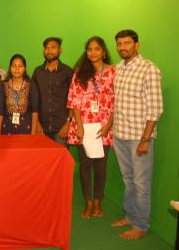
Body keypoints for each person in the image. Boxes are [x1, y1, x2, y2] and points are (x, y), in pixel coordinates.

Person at [110, 30, 163, 240]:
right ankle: (131, 216)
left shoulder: (149, 69)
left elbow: (156, 108)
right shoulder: (118, 69)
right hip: (120, 133)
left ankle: (141, 225)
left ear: (137, 45)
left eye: (127, 43)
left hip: (139, 137)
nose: (123, 47)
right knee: (128, 179)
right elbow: (116, 103)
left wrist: (145, 139)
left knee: (141, 182)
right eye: (119, 44)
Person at [67, 36, 115, 219]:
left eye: (97, 49)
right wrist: (79, 127)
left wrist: (109, 125)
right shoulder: (80, 72)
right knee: (85, 166)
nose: (93, 52)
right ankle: (88, 201)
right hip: (84, 127)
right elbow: (74, 101)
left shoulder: (113, 72)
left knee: (101, 167)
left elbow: (117, 101)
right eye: (89, 49)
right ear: (86, 53)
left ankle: (98, 201)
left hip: (104, 127)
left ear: (104, 51)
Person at [31, 37, 73, 147]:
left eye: (53, 47)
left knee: (61, 162)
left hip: (61, 128)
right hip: (42, 128)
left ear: (60, 50)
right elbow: (33, 99)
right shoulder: (37, 72)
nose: (49, 51)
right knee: (43, 162)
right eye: (47, 48)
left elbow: (73, 99)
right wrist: (37, 124)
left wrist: (69, 123)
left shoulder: (67, 72)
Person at [0, 54, 39, 135]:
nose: (17, 69)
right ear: (10, 68)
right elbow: (0, 111)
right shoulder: (3, 85)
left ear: (24, 68)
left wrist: (33, 135)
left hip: (26, 130)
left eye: (20, 66)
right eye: (14, 66)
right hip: (7, 129)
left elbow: (35, 112)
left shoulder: (32, 85)